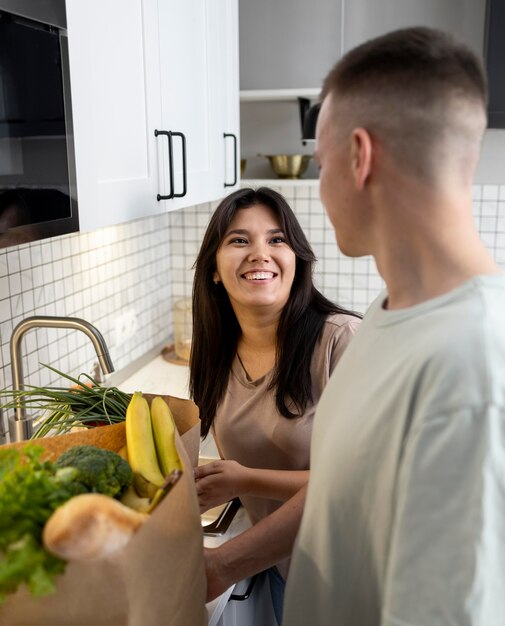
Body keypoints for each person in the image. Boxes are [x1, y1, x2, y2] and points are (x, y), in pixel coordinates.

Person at [283, 26, 505, 626]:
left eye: (319, 163)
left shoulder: (472, 366)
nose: (319, 187)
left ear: (360, 157)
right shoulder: (394, 314)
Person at [189, 186, 361, 623]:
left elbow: (361, 484)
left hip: (349, 575)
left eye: (277, 239)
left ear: (296, 259)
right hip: (282, 566)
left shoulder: (341, 341)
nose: (259, 253)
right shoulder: (214, 354)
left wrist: (246, 480)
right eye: (240, 240)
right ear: (213, 268)